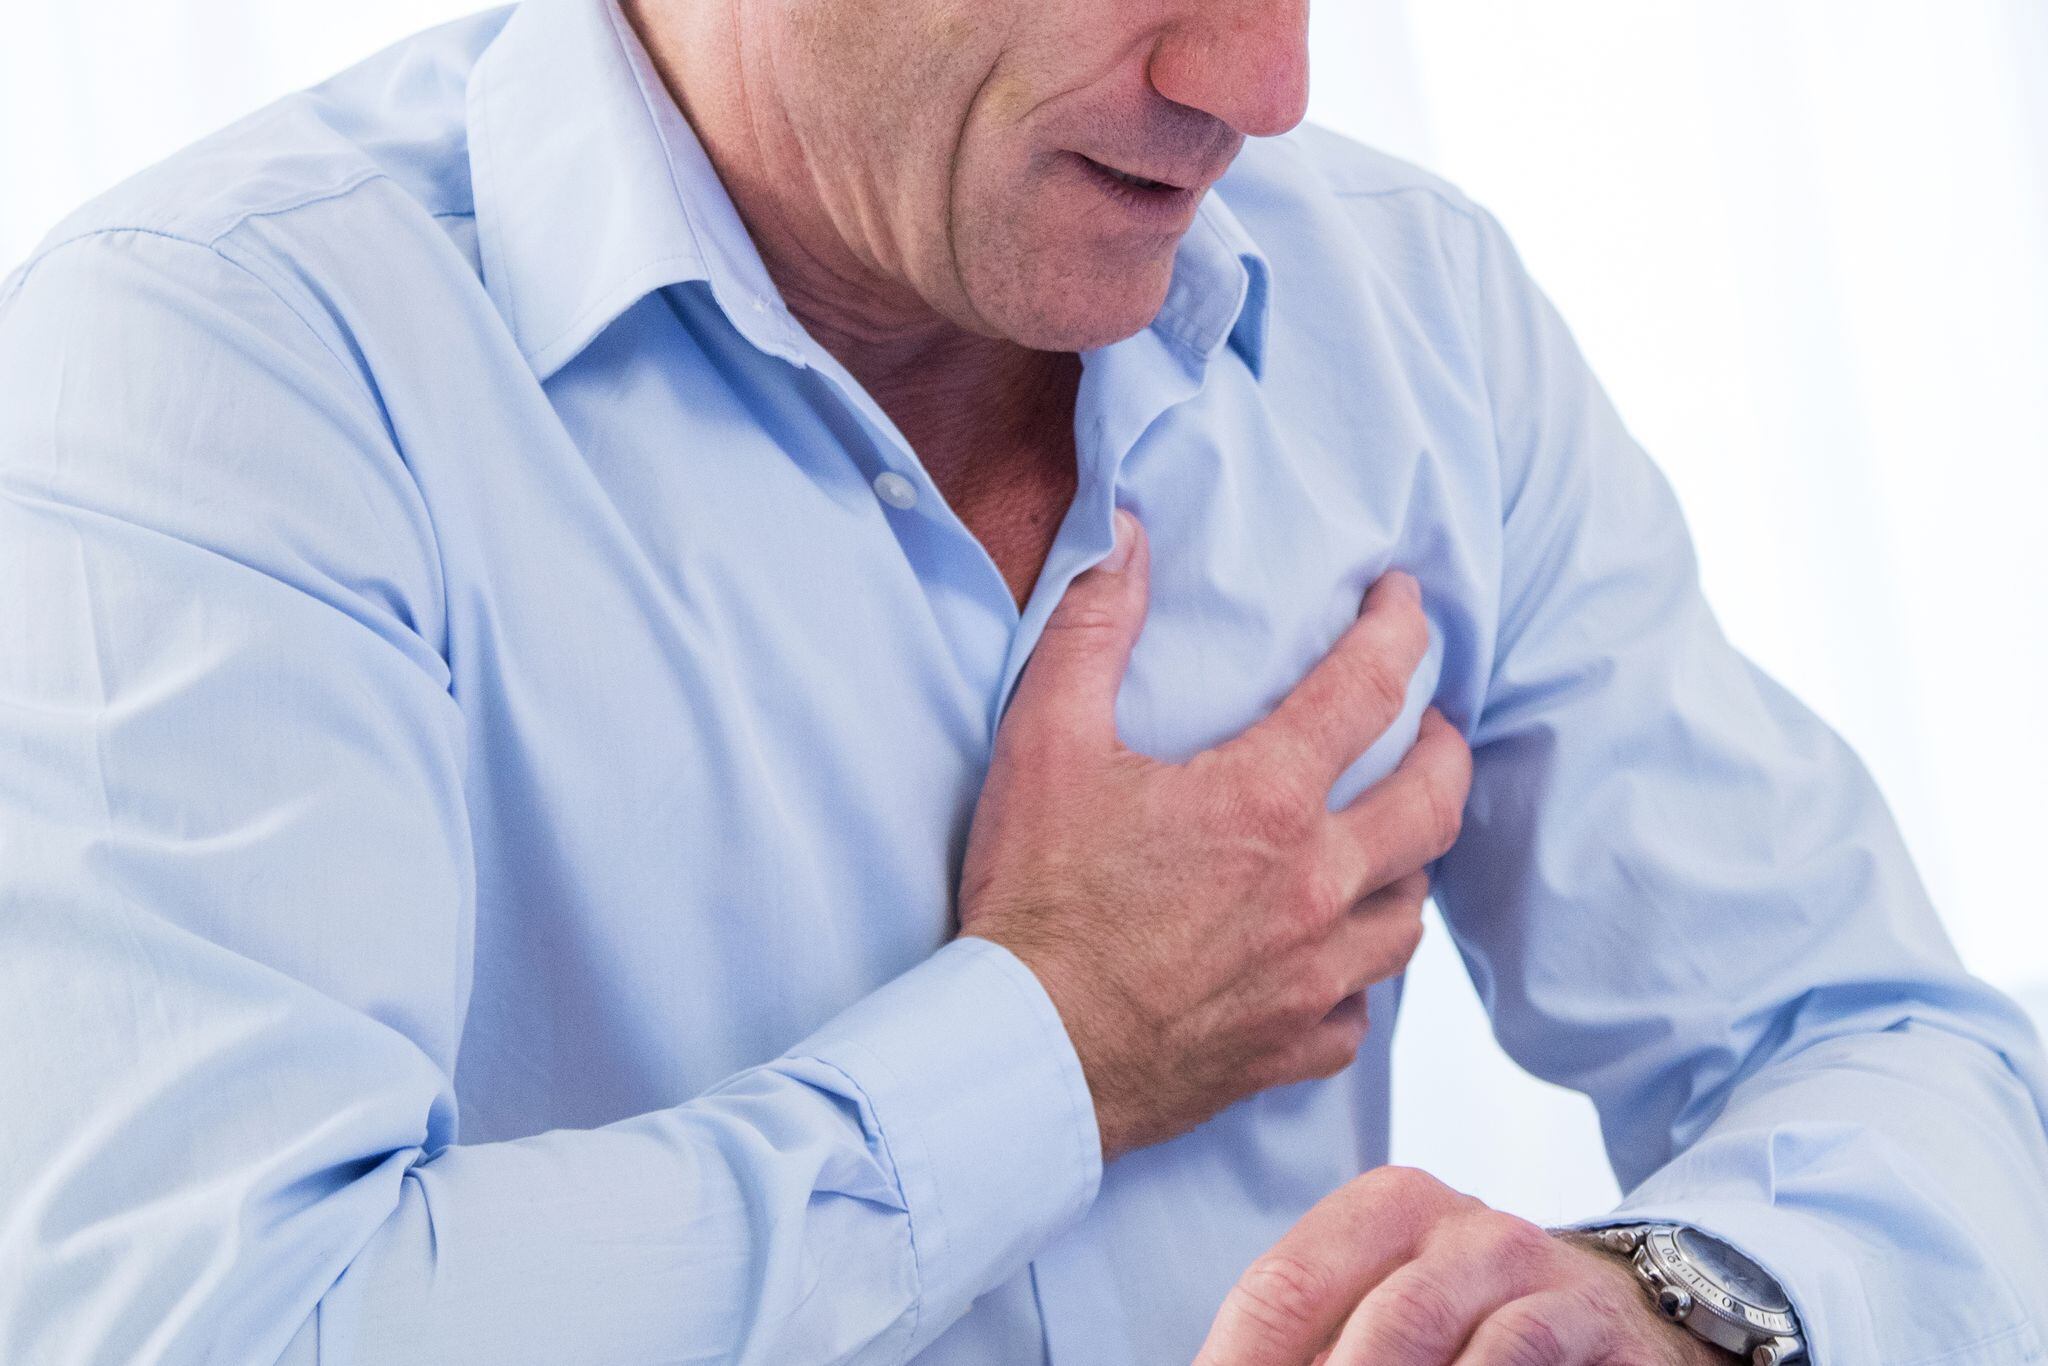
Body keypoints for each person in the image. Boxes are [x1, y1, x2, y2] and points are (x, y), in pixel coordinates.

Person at [1, 0, 2043, 1359]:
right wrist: (1059, 1038)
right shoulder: (214, 369)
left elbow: (1886, 1043)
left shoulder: (1404, 309)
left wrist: (1679, 1301)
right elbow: (220, 1320)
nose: (1260, 79)